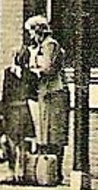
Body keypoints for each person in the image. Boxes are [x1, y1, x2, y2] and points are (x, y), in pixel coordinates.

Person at [27, 16, 69, 181]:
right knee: (46, 132)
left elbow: (48, 68)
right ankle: (48, 171)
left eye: (32, 32)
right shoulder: (42, 46)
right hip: (45, 92)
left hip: (53, 92)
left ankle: (54, 170)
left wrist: (34, 69)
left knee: (54, 132)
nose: (31, 36)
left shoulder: (49, 45)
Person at [0, 56, 36, 185]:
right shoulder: (28, 75)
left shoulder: (10, 73)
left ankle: (15, 172)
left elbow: (5, 94)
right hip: (21, 110)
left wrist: (2, 112)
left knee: (16, 143)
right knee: (19, 143)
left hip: (15, 110)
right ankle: (18, 172)